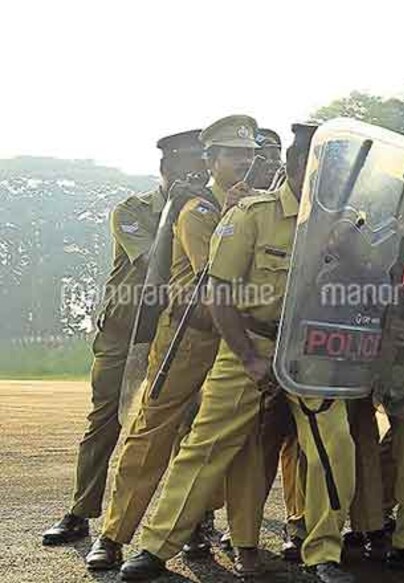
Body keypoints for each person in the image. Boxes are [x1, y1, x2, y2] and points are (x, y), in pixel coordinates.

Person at [117, 117, 363, 583]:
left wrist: (349, 249)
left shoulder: (347, 221)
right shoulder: (252, 215)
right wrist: (249, 357)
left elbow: (365, 286)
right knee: (206, 444)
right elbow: (218, 293)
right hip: (249, 343)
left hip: (312, 350)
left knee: (334, 445)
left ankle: (324, 553)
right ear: (296, 168)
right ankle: (154, 547)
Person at [86, 118, 259, 570]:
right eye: (232, 155)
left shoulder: (252, 208)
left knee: (233, 441)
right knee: (150, 437)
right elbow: (220, 275)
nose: (243, 163)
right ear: (211, 162)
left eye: (248, 155)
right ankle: (113, 536)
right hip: (188, 336)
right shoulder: (198, 211)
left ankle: (233, 540)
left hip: (233, 341)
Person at [41, 130, 205, 547]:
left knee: (187, 425)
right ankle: (80, 513)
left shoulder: (207, 212)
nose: (196, 176)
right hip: (123, 332)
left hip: (175, 333)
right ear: (165, 169)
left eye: (201, 169)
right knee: (106, 419)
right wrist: (178, 213)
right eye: (187, 167)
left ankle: (194, 524)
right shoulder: (132, 211)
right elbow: (154, 259)